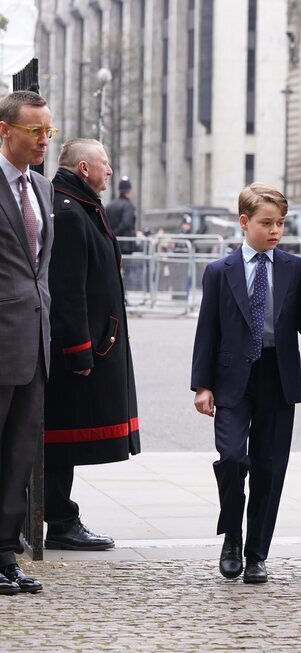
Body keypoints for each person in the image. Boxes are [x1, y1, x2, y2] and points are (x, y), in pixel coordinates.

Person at [192, 183, 301, 584]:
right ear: (244, 222)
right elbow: (208, 330)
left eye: (281, 223)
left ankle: (257, 553)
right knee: (233, 459)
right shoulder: (220, 272)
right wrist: (202, 385)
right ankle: (232, 536)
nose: (275, 231)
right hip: (233, 378)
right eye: (267, 223)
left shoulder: (294, 267)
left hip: (277, 376)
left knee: (270, 468)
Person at [42, 139, 139, 552]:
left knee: (63, 440)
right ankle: (60, 520)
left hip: (93, 342)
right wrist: (80, 349)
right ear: (84, 168)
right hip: (77, 352)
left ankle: (61, 516)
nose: (111, 172)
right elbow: (68, 290)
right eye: (105, 164)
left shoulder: (79, 204)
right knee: (60, 439)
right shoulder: (69, 212)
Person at [0, 90, 56, 595]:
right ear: (5, 131)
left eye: (48, 131)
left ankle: (5, 554)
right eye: (34, 131)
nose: (43, 140)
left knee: (19, 453)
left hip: (33, 342)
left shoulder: (40, 186)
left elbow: (40, 270)